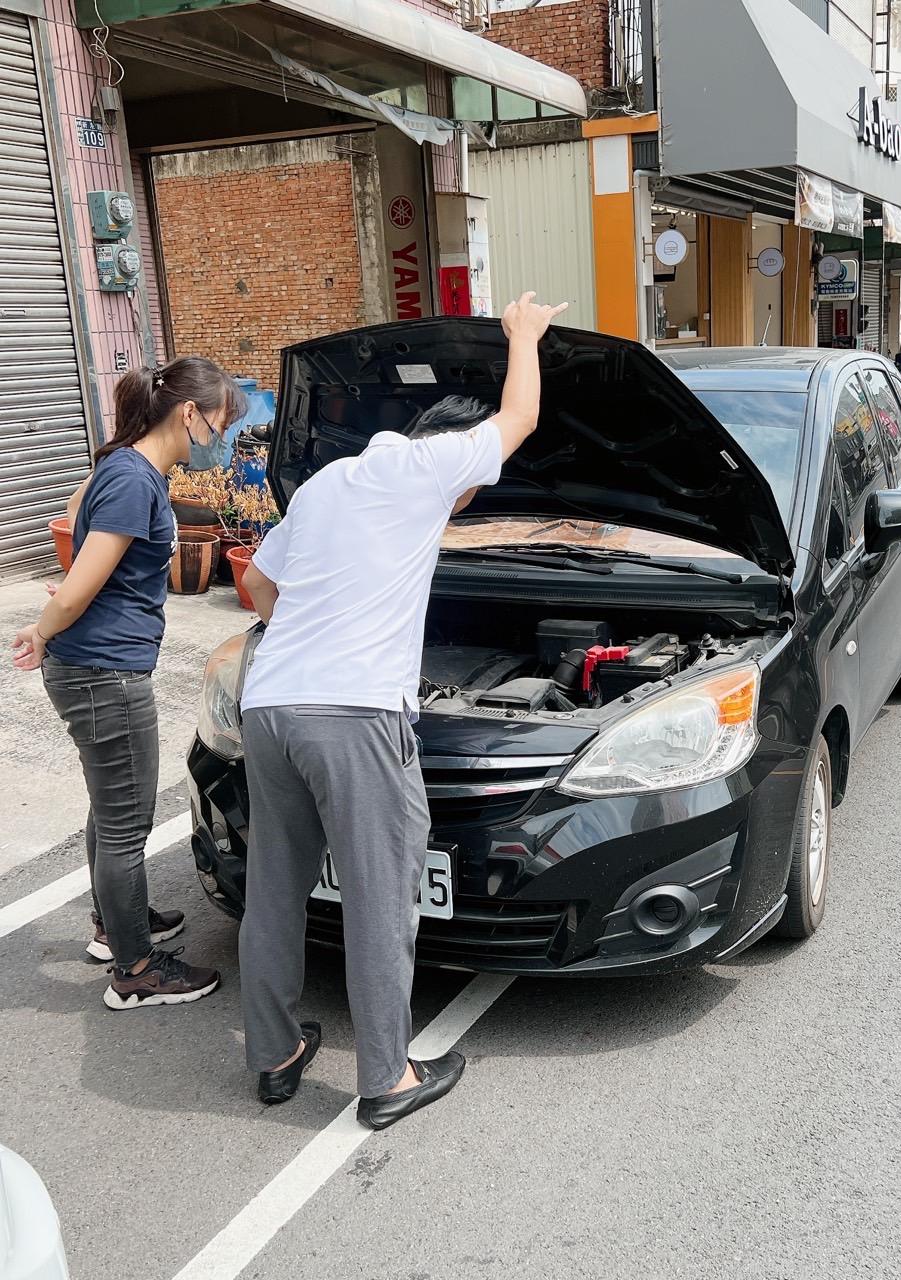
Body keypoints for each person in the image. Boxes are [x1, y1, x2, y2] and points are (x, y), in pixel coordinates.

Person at [237, 292, 567, 1129]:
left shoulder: (325, 483)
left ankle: (274, 1054)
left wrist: (318, 632)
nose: (465, 505)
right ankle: (386, 1078)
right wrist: (522, 336)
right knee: (383, 895)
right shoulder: (427, 468)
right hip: (351, 718)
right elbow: (521, 415)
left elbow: (256, 584)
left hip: (271, 705)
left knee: (276, 887)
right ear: (449, 454)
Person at [12, 357, 245, 1009]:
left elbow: (74, 508)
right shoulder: (135, 480)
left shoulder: (122, 467)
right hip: (104, 673)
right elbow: (82, 580)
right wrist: (43, 627)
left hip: (96, 667)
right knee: (125, 822)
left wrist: (70, 610)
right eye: (219, 425)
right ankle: (136, 969)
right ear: (189, 414)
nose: (218, 443)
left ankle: (114, 928)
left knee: (108, 807)